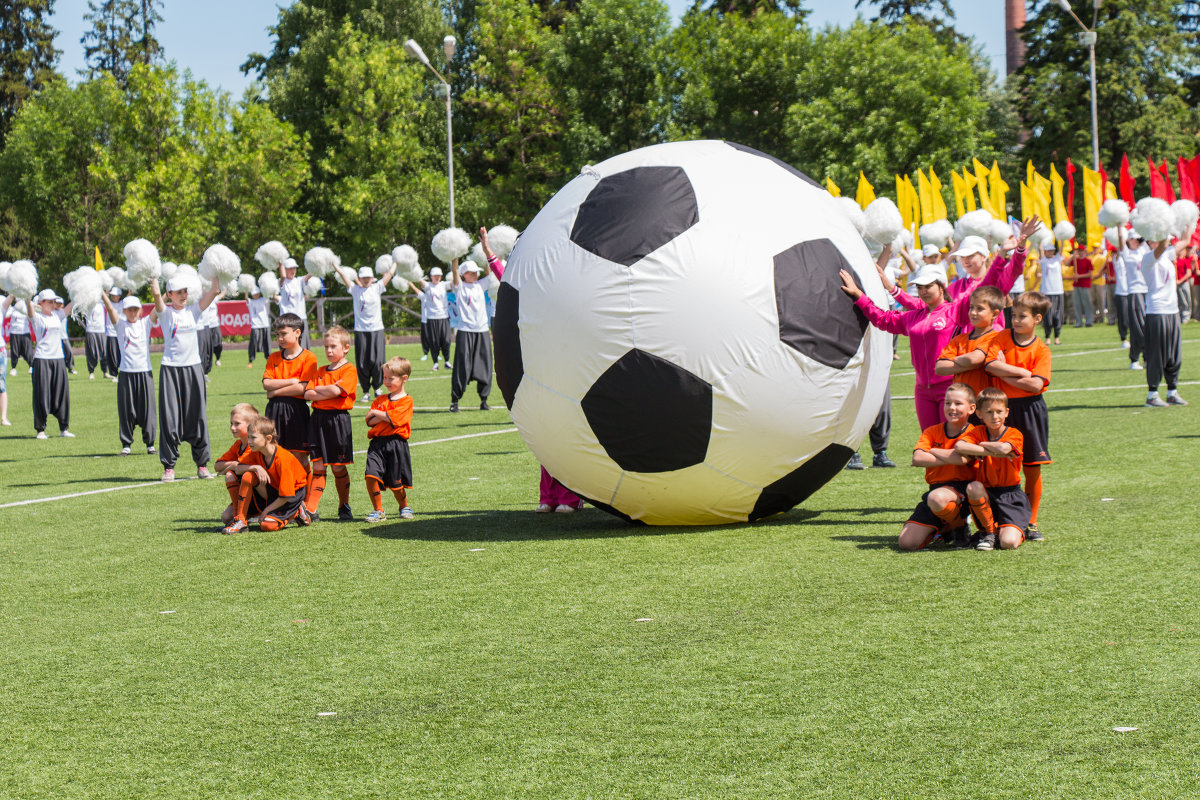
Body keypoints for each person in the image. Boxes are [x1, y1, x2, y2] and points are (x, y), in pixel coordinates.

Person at [841, 217, 1038, 431]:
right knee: (933, 440)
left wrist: (1009, 253)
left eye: (971, 255)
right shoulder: (948, 294)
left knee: (981, 427)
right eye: (963, 257)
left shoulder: (968, 301)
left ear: (984, 256)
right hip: (934, 382)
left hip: (975, 365)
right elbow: (914, 310)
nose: (965, 261)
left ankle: (1028, 392)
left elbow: (999, 278)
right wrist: (875, 292)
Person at [983, 291, 1052, 541]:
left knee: (1031, 466)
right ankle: (995, 520)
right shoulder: (1001, 338)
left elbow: (1036, 386)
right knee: (998, 463)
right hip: (1001, 408)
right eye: (1014, 315)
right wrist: (1022, 372)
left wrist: (1004, 374)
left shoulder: (1042, 350)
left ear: (1037, 319)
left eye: (1023, 316)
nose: (1016, 320)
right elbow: (990, 365)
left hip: (1031, 410)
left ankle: (1031, 522)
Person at [150, 273, 220, 482]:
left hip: (193, 369)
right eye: (178, 292)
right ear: (169, 294)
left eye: (185, 291)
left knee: (197, 416)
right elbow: (156, 297)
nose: (183, 295)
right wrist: (154, 280)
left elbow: (214, 291)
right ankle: (169, 466)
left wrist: (216, 270)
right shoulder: (165, 313)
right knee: (170, 418)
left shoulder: (193, 311)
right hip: (170, 369)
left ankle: (202, 464)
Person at [898, 383, 978, 551]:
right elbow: (918, 458)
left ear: (971, 408)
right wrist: (950, 456)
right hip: (936, 489)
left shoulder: (975, 432)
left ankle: (959, 526)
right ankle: (945, 526)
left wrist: (933, 451)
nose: (952, 407)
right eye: (948, 403)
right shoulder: (932, 431)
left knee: (936, 498)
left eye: (958, 403)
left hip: (964, 490)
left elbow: (963, 459)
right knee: (907, 543)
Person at [955, 387, 1030, 551]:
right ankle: (989, 532)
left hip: (1011, 495)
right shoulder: (978, 431)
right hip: (986, 493)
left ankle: (1017, 529)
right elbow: (959, 445)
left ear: (1007, 412)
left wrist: (981, 445)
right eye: (989, 412)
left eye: (999, 411)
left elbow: (1004, 449)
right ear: (980, 414)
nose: (995, 416)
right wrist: (990, 449)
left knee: (1008, 543)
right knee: (973, 487)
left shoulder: (1014, 434)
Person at [302, 325, 358, 521]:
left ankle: (344, 505)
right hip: (317, 420)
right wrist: (329, 389)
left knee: (337, 467)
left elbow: (338, 392)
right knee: (317, 465)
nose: (329, 351)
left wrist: (322, 391)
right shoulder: (320, 370)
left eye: (333, 346)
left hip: (338, 421)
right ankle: (311, 509)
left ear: (346, 348)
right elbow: (308, 393)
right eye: (326, 347)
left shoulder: (349, 369)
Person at [222, 417, 313, 534]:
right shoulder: (257, 451)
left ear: (268, 438)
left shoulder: (282, 458)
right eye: (248, 437)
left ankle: (297, 511)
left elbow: (286, 495)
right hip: (273, 490)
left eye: (253, 437)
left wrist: (266, 511)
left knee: (267, 526)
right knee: (244, 477)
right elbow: (238, 469)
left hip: (291, 496)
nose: (249, 441)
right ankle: (240, 520)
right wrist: (256, 467)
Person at [262, 312, 318, 496]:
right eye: (277, 335)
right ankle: (281, 498)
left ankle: (307, 503)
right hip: (274, 411)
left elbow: (302, 389)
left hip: (296, 412)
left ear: (297, 332)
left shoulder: (309, 358)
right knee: (274, 455)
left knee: (299, 456)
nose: (280, 338)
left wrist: (274, 392)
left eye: (283, 334)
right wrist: (292, 381)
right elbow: (266, 384)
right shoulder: (274, 357)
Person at [449, 228, 503, 412]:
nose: (474, 274)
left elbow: (491, 273)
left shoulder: (481, 285)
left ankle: (484, 400)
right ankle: (455, 400)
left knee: (485, 366)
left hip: (482, 330)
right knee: (462, 366)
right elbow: (454, 270)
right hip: (465, 331)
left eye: (475, 272)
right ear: (464, 274)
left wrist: (486, 250)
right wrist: (454, 253)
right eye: (471, 272)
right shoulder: (459, 287)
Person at [100, 292, 157, 456]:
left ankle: (150, 444)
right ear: (124, 311)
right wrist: (103, 294)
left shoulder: (145, 323)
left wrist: (164, 295)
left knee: (148, 410)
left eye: (135, 310)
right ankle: (126, 444)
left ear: (140, 311)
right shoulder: (120, 325)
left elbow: (157, 309)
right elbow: (110, 309)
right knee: (126, 410)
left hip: (145, 372)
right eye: (129, 310)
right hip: (126, 373)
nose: (132, 313)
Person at [934, 285, 1005, 409]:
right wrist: (967, 362)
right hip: (961, 405)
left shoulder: (995, 338)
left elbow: (974, 359)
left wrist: (954, 359)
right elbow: (940, 368)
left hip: (986, 405)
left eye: (979, 309)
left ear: (994, 314)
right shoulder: (959, 339)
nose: (973, 312)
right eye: (971, 307)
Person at [331, 261, 396, 396]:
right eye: (363, 277)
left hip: (377, 329)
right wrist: (335, 265)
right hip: (361, 330)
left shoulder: (377, 287)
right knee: (362, 362)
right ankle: (366, 391)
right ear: (359, 278)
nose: (366, 280)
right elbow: (343, 275)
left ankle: (377, 387)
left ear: (372, 278)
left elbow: (390, 273)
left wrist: (396, 261)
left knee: (378, 360)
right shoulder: (355, 290)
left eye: (368, 277)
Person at [363, 356, 415, 522]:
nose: (386, 381)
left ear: (404, 378)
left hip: (396, 444)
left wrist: (378, 414)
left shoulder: (407, 401)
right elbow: (368, 421)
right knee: (370, 475)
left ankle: (404, 505)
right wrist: (385, 416)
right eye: (384, 377)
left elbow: (397, 420)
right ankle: (378, 510)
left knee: (395, 483)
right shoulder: (380, 400)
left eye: (390, 378)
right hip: (377, 444)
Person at [1141, 239, 1188, 408]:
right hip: (1157, 311)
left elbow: (1187, 240)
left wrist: (1189, 219)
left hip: (1172, 310)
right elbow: (1161, 246)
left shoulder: (1167, 254)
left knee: (1174, 355)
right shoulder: (1148, 258)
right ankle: (1152, 394)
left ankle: (1172, 392)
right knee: (1157, 354)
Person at [24, 289, 73, 439]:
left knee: (61, 394)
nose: (53, 304)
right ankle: (40, 429)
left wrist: (79, 293)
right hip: (42, 359)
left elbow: (69, 308)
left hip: (58, 358)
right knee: (42, 394)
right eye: (50, 302)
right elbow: (30, 309)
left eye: (54, 302)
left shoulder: (57, 316)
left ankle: (64, 428)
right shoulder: (37, 318)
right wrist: (27, 296)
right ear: (42, 303)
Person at [216, 403, 260, 526]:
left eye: (237, 424)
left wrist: (235, 466)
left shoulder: (256, 444)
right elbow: (217, 465)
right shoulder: (238, 445)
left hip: (263, 494)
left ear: (250, 424)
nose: (232, 427)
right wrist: (235, 464)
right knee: (226, 517)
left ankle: (245, 516)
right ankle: (240, 515)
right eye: (231, 423)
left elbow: (242, 468)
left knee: (234, 474)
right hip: (247, 494)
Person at [1118, 231, 1149, 369]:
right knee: (1138, 327)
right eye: (1134, 240)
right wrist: (1119, 225)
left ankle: (1140, 359)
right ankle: (1139, 357)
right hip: (1134, 292)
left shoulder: (1143, 250)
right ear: (1129, 240)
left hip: (1147, 291)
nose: (1137, 242)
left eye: (1138, 240)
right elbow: (1120, 239)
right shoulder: (1126, 253)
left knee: (1145, 326)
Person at [410, 267, 451, 371]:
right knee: (434, 342)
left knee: (446, 340)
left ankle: (447, 361)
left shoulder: (444, 285)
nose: (437, 277)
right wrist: (409, 276)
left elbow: (455, 281)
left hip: (444, 317)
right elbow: (419, 280)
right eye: (434, 275)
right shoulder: (428, 286)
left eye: (438, 275)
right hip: (432, 318)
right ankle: (435, 363)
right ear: (431, 277)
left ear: (441, 276)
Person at [277, 257, 310, 350]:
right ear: (285, 269)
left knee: (302, 347)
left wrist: (315, 265)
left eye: (294, 268)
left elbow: (309, 276)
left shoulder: (299, 280)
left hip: (301, 318)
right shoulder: (281, 281)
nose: (293, 270)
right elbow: (283, 276)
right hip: (287, 320)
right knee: (287, 348)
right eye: (290, 268)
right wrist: (280, 262)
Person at [1034, 244, 1065, 344]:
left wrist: (1062, 238)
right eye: (1048, 250)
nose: (1050, 252)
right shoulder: (1043, 260)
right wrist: (1039, 242)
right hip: (1046, 292)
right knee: (1047, 316)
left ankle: (1057, 337)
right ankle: (1047, 337)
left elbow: (1061, 248)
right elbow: (1040, 250)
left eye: (1052, 250)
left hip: (1058, 291)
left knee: (1058, 315)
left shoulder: (1057, 259)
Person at [1070, 246, 1096, 327]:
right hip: (1076, 285)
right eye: (1079, 251)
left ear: (1084, 251)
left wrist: (1079, 276)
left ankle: (1089, 321)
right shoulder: (1075, 260)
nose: (1080, 252)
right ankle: (1078, 322)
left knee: (1087, 303)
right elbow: (1066, 264)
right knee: (1077, 304)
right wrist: (1072, 256)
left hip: (1085, 285)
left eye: (1082, 251)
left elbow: (1090, 273)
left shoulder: (1088, 261)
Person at [246, 283, 271, 367]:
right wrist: (245, 289)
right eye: (253, 293)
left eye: (256, 293)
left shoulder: (263, 299)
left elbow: (267, 294)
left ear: (259, 293)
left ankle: (269, 359)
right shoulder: (251, 302)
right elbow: (246, 299)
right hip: (255, 325)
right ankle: (251, 360)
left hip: (265, 324)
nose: (255, 295)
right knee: (253, 343)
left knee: (266, 343)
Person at [8, 297, 33, 375]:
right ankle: (14, 368)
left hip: (25, 332)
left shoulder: (26, 310)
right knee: (15, 351)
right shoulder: (12, 310)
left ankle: (31, 366)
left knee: (28, 351)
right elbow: (6, 315)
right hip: (14, 332)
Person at [83, 301, 108, 379]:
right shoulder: (87, 302)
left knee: (104, 352)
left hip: (101, 330)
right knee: (91, 352)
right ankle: (91, 372)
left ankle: (105, 372)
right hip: (91, 329)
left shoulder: (102, 302)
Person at [103, 287, 122, 383]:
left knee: (120, 354)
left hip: (121, 332)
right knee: (112, 355)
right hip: (111, 333)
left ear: (119, 296)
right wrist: (105, 293)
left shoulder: (123, 304)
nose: (114, 297)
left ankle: (122, 373)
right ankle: (114, 374)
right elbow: (105, 300)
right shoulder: (108, 304)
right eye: (112, 295)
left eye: (115, 295)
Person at [53, 297, 76, 374]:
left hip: (64, 336)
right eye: (57, 303)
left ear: (62, 305)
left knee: (69, 352)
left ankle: (70, 368)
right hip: (56, 338)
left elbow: (71, 308)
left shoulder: (64, 311)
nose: (58, 305)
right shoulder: (52, 312)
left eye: (60, 304)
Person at [1175, 244, 1195, 324]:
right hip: (1177, 283)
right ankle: (1180, 316)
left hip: (1184, 283)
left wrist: (1180, 280)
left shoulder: (1185, 261)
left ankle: (1186, 317)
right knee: (1179, 300)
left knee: (1186, 300)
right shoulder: (1175, 261)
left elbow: (1188, 273)